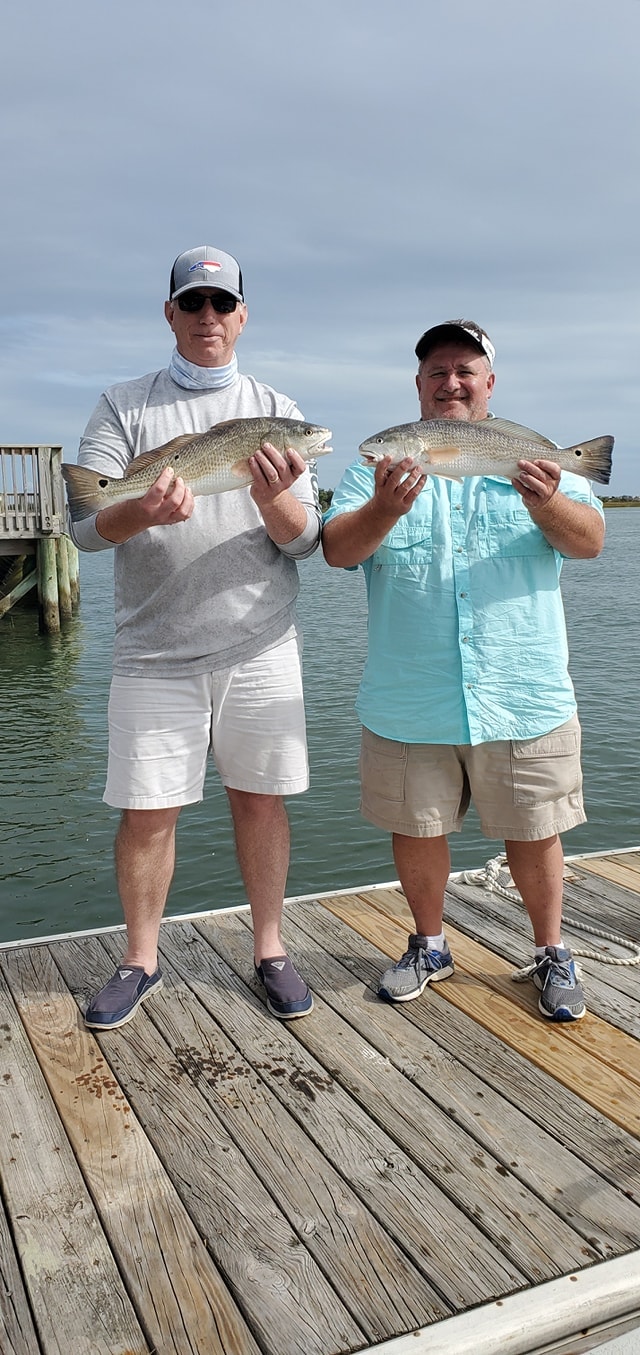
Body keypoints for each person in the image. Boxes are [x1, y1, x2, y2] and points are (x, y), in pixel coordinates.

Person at [322, 319, 605, 1023]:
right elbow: (337, 550)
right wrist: (384, 508)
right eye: (436, 371)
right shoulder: (373, 470)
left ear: (489, 384)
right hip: (410, 696)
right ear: (417, 388)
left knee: (537, 827)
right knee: (416, 826)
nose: (450, 381)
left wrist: (550, 499)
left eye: (464, 369)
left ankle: (550, 950)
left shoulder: (535, 457)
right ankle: (429, 944)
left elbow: (591, 540)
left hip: (522, 690)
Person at [68, 244, 320, 1028]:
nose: (208, 317)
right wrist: (137, 508)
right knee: (147, 812)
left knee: (262, 802)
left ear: (243, 315)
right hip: (152, 651)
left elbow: (305, 538)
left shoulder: (276, 406)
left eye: (222, 304)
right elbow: (84, 528)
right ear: (170, 313)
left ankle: (270, 949)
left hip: (261, 644)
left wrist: (277, 499)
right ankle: (140, 959)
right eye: (194, 303)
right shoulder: (123, 404)